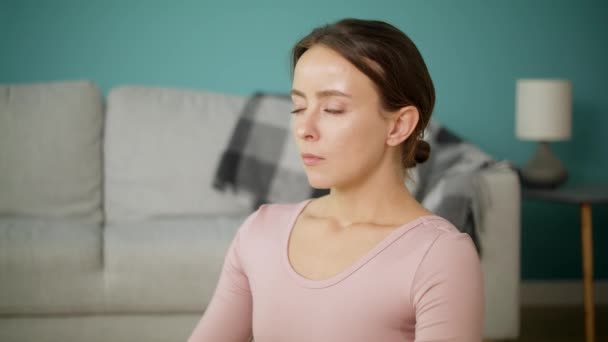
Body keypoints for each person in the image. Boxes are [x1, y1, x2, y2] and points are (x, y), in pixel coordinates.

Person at [188, 18, 483, 342]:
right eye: (298, 107)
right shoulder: (260, 232)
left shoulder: (439, 255)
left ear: (398, 126)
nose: (304, 129)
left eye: (332, 109)